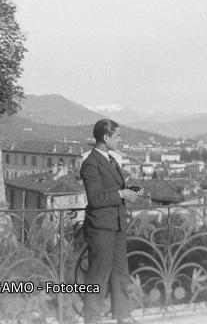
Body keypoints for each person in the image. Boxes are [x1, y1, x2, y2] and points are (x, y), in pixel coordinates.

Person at [80, 119, 141, 324]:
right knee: (97, 277)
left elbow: (112, 190)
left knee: (120, 273)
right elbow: (95, 199)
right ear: (106, 138)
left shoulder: (111, 160)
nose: (120, 140)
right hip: (101, 229)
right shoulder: (90, 164)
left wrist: (127, 192)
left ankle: (123, 316)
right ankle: (92, 320)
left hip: (116, 226)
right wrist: (121, 194)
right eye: (117, 136)